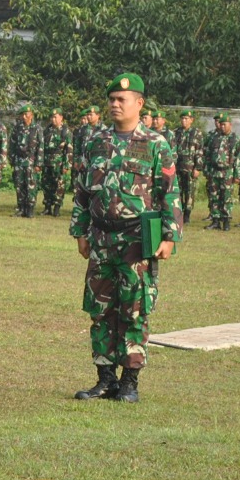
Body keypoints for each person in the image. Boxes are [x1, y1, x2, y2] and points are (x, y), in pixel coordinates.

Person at [70, 72, 181, 404]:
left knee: (134, 309)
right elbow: (82, 191)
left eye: (122, 99)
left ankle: (129, 381)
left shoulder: (155, 144)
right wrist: (80, 231)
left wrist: (169, 236)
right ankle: (105, 379)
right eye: (112, 100)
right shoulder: (96, 141)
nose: (115, 104)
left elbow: (169, 193)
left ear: (139, 103)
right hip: (102, 239)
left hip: (136, 240)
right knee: (101, 309)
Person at [202, 113, 240, 231]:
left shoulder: (235, 139)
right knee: (214, 196)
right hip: (214, 171)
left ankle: (226, 221)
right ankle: (215, 220)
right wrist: (206, 170)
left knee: (226, 197)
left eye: (225, 124)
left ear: (230, 125)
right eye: (221, 124)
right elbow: (208, 155)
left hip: (227, 172)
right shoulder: (214, 138)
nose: (222, 126)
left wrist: (237, 175)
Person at [9, 104, 42, 217]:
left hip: (31, 161)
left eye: (26, 114)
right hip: (19, 160)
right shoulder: (17, 128)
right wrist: (12, 159)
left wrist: (38, 163)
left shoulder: (37, 128)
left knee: (31, 185)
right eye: (23, 114)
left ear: (31, 115)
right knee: (19, 185)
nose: (24, 116)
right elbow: (12, 144)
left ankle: (30, 209)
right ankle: (21, 208)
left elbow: (40, 147)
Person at [172, 110, 204, 224]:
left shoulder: (196, 133)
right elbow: (172, 149)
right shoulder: (176, 132)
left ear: (191, 120)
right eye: (182, 118)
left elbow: (199, 151)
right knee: (178, 191)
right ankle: (178, 213)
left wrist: (198, 167)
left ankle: (187, 214)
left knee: (189, 192)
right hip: (177, 167)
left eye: (186, 119)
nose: (184, 121)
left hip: (190, 168)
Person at [40, 108, 72, 216]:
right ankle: (47, 207)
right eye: (52, 117)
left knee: (59, 186)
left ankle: (57, 208)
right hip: (47, 162)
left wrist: (67, 164)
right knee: (46, 185)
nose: (53, 119)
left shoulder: (65, 131)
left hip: (59, 163)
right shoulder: (47, 130)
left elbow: (69, 149)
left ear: (61, 118)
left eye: (55, 117)